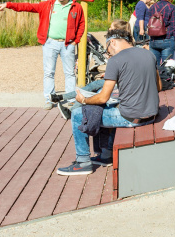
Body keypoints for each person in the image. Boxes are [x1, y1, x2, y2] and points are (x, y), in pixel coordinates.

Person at [56, 29, 161, 175]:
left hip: (132, 118)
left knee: (78, 113)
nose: (108, 54)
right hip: (151, 114)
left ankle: (83, 162)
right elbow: (159, 87)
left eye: (107, 50)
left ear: (112, 42)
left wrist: (83, 100)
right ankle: (105, 155)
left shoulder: (115, 60)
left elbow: (103, 97)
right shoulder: (149, 54)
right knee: (107, 106)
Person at [0, 0, 85, 110]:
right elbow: (27, 6)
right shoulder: (48, 5)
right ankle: (49, 99)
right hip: (50, 43)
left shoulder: (76, 7)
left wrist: (75, 40)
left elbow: (81, 24)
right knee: (49, 72)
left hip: (68, 44)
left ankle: (71, 99)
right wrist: (8, 4)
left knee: (69, 73)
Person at [147, 0, 175, 66]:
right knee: (167, 68)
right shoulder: (171, 8)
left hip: (153, 40)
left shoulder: (152, 7)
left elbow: (148, 24)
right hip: (167, 39)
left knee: (154, 68)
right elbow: (174, 27)